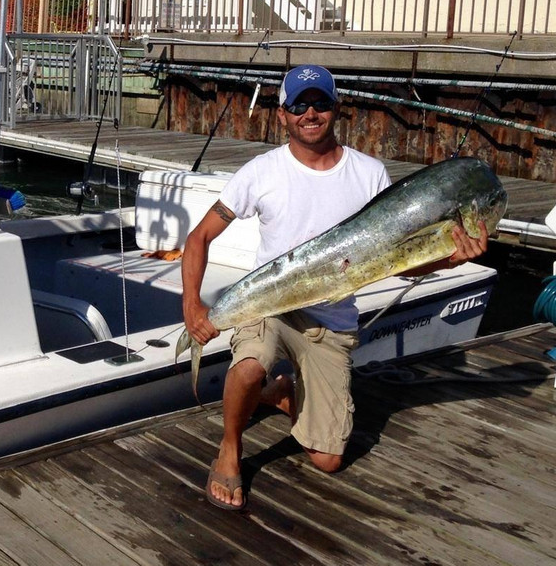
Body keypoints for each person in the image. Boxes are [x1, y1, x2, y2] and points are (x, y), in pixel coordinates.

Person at [181, 64, 488, 511]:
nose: (311, 113)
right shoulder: (260, 172)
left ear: (335, 109)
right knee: (250, 364)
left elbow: (394, 265)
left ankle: (279, 392)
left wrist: (450, 259)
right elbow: (199, 238)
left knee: (327, 459)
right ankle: (230, 447)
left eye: (320, 103)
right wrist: (192, 303)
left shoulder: (369, 174)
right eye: (299, 105)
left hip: (333, 322)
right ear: (282, 115)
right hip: (272, 307)